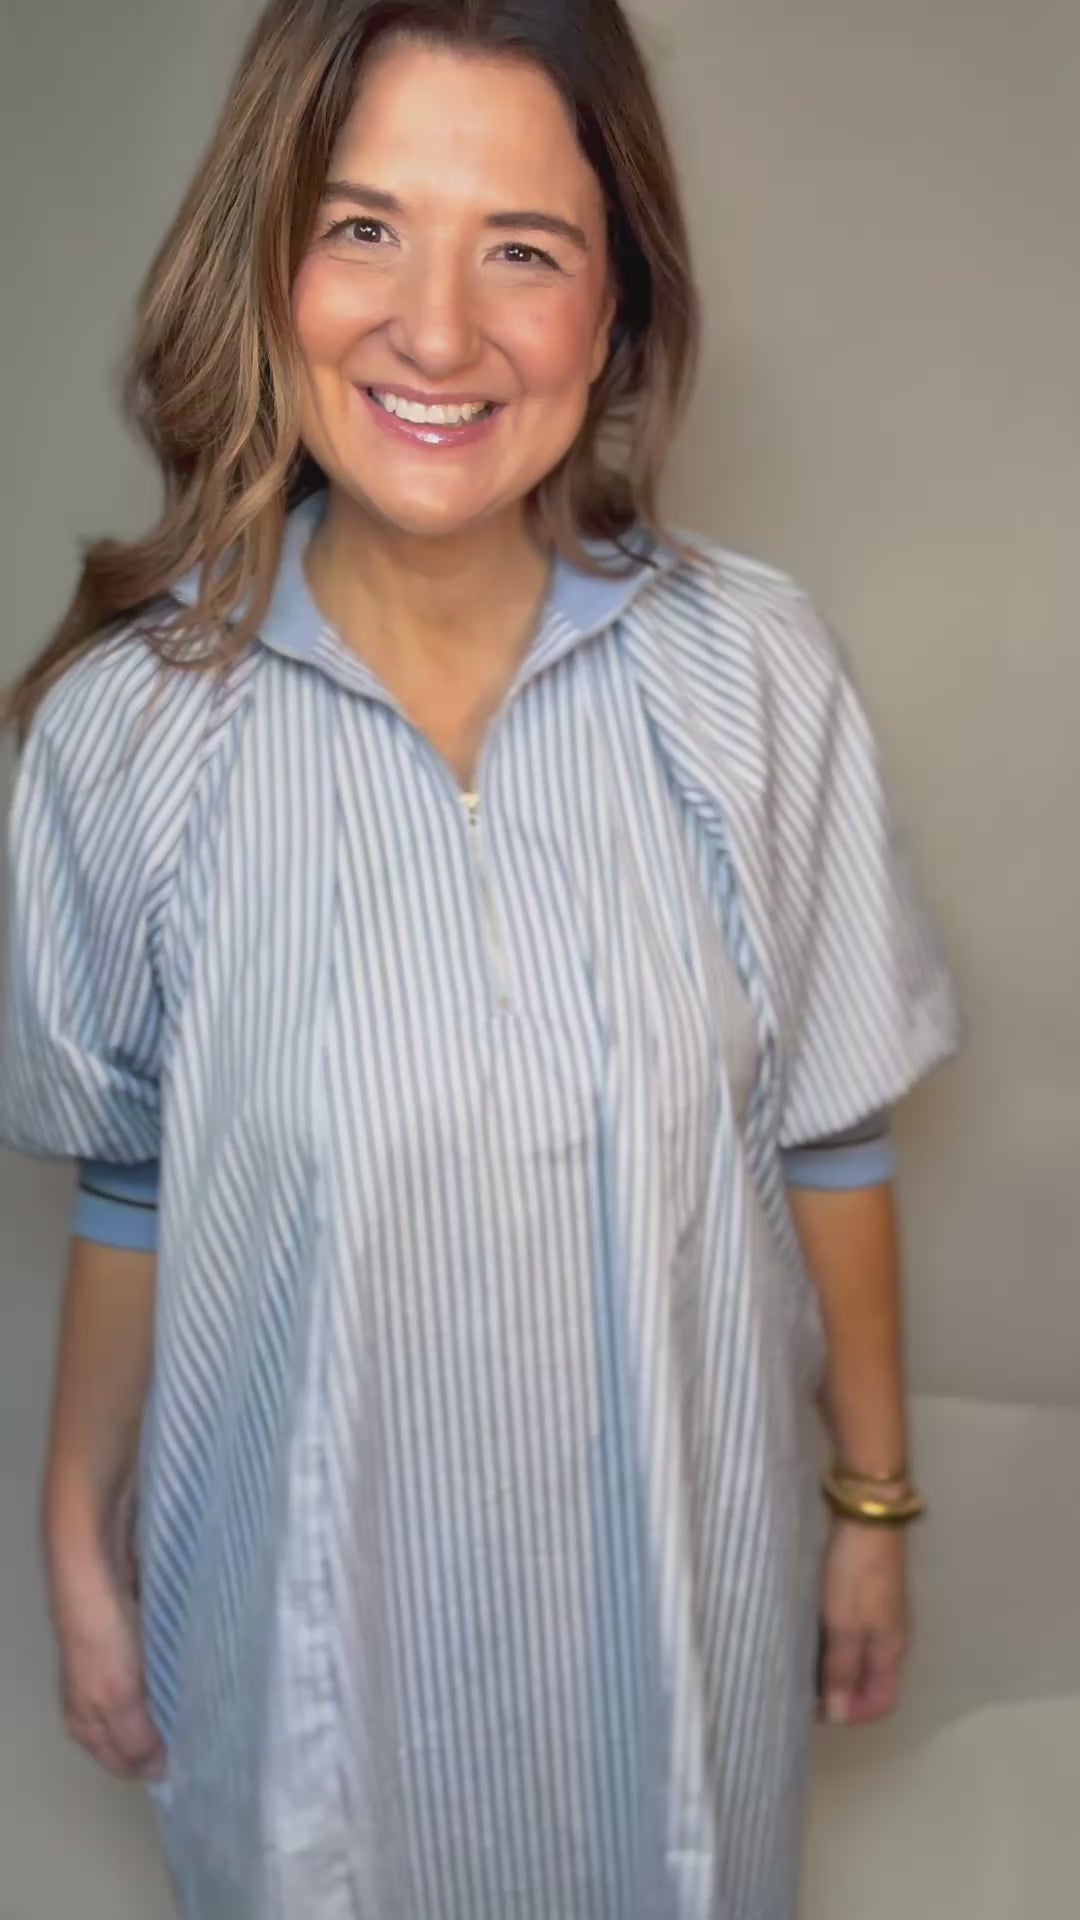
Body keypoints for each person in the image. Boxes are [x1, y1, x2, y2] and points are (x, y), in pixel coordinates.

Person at [0, 2, 959, 1915]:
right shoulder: (124, 736)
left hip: (675, 1665)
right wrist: (78, 1546)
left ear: (616, 311)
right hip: (297, 1677)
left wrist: (870, 1504)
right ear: (265, 267)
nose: (436, 334)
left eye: (524, 249)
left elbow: (833, 1140)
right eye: (362, 228)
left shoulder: (751, 676)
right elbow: (134, 1185)